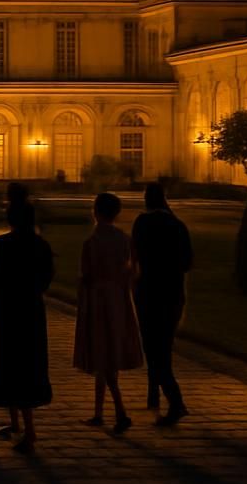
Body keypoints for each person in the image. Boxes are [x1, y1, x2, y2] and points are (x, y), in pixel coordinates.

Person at [0, 195, 53, 454]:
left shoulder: (4, 244)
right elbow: (47, 278)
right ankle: (16, 424)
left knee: (10, 364)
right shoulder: (41, 245)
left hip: (8, 310)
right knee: (28, 365)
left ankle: (29, 430)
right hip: (32, 310)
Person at [74, 192, 144, 434]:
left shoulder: (92, 243)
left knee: (103, 359)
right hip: (119, 300)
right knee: (109, 355)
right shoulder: (124, 239)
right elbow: (133, 271)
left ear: (95, 212)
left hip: (99, 301)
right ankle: (99, 413)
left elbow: (85, 276)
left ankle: (120, 411)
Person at [132, 182, 192, 426]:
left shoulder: (142, 223)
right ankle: (153, 394)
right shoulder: (178, 225)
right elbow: (187, 262)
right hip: (173, 293)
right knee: (163, 347)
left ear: (147, 199)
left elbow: (134, 255)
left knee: (153, 350)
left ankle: (175, 402)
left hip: (149, 292)